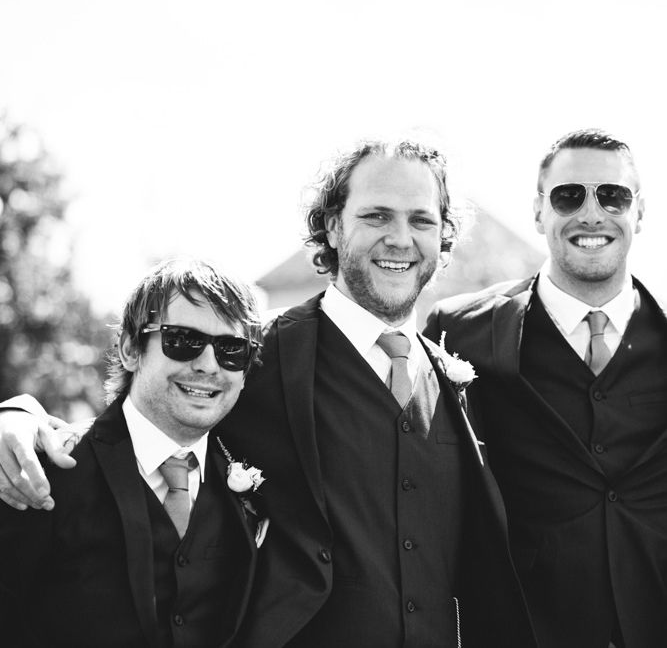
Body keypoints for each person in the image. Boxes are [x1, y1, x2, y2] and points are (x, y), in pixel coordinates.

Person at [0, 139, 537, 647]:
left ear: (442, 235)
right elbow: (144, 421)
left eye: (421, 219)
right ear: (333, 226)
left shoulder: (458, 380)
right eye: (376, 215)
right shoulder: (251, 353)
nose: (400, 237)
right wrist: (18, 417)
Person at [424, 128, 667, 648]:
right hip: (519, 629)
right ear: (539, 211)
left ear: (640, 212)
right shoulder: (459, 332)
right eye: (568, 196)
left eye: (613, 196)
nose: (592, 215)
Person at [0, 258, 266, 648]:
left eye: (231, 349)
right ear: (130, 349)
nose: (209, 365)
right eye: (183, 340)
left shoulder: (261, 473)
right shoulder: (37, 470)